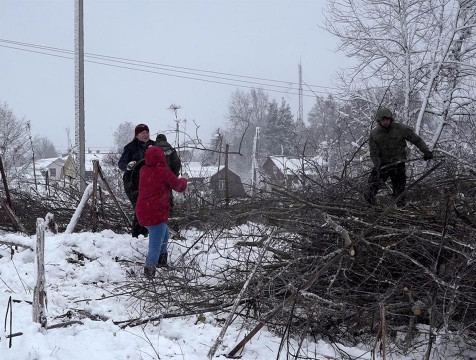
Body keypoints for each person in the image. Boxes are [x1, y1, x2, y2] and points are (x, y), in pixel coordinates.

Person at [135, 146, 188, 279]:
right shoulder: (164, 172)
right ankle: (149, 271)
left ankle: (162, 262)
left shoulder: (144, 170)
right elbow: (179, 187)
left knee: (164, 234)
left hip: (143, 210)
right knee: (155, 245)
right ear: (162, 157)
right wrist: (184, 179)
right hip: (156, 213)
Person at [365, 107, 433, 207]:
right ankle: (370, 208)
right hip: (382, 166)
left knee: (399, 191)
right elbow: (374, 153)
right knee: (371, 187)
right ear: (379, 121)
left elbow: (416, 140)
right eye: (383, 120)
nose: (385, 122)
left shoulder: (400, 129)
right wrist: (379, 167)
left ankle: (401, 210)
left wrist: (426, 151)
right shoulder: (374, 134)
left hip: (398, 164)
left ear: (391, 119)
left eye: (387, 119)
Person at [118, 124, 156, 238]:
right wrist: (128, 166)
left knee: (151, 208)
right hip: (133, 182)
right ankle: (138, 236)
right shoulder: (130, 147)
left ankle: (147, 234)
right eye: (142, 133)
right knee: (140, 207)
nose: (145, 135)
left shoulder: (154, 146)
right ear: (137, 135)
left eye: (147, 132)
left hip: (150, 183)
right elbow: (121, 163)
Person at [156, 133, 182, 215]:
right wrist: (174, 176)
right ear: (165, 140)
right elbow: (177, 164)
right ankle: (170, 215)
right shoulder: (171, 150)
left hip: (155, 178)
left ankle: (158, 216)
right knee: (168, 197)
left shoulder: (153, 149)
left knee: (156, 198)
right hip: (168, 178)